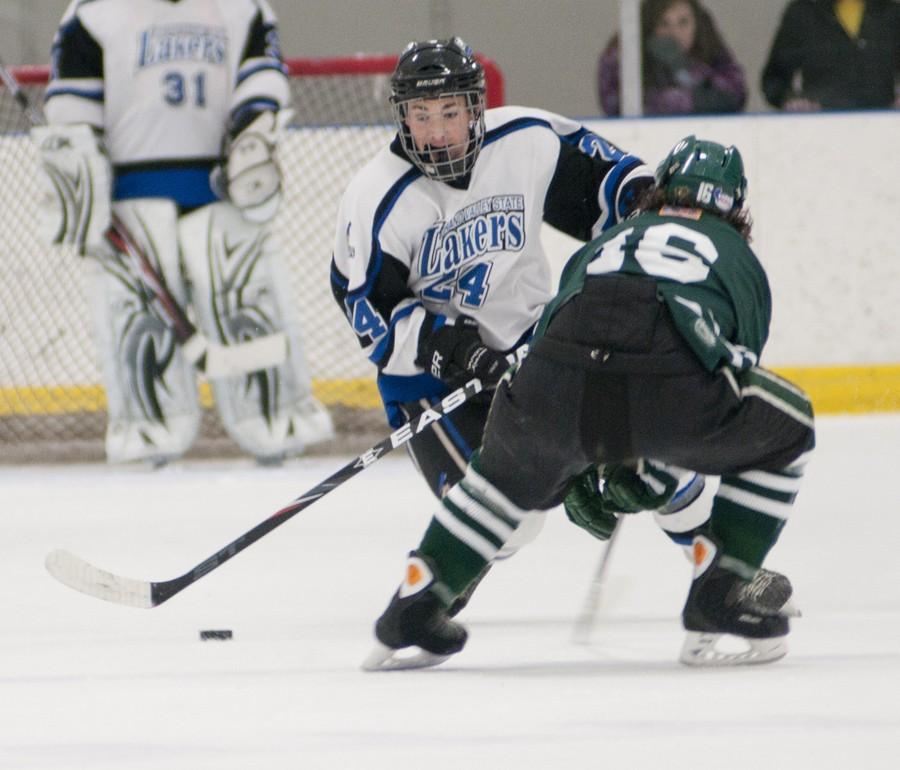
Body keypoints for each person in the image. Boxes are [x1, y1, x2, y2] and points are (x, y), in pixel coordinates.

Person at [363, 135, 816, 671]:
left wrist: (571, 452)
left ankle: (416, 599)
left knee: (500, 481)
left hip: (552, 370)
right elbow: (723, 379)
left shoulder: (613, 238)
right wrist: (653, 466)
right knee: (789, 423)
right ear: (735, 209)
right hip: (666, 378)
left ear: (660, 191)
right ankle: (725, 586)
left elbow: (557, 334)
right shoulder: (738, 258)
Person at [33, 0, 333, 465]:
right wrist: (78, 160)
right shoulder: (92, 12)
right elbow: (72, 104)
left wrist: (253, 130)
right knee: (138, 315)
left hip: (224, 188)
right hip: (130, 196)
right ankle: (150, 432)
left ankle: (276, 421)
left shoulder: (243, 7)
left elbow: (264, 81)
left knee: (245, 303)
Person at [597, 0, 747, 116]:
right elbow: (615, 105)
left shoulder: (712, 52)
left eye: (683, 22)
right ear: (650, 27)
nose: (674, 33)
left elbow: (734, 96)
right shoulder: (624, 56)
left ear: (697, 24)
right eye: (664, 23)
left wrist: (683, 68)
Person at [761, 0, 900, 111]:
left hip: (883, 129)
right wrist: (792, 100)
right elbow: (774, 79)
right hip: (819, 128)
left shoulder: (892, 14)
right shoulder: (803, 12)